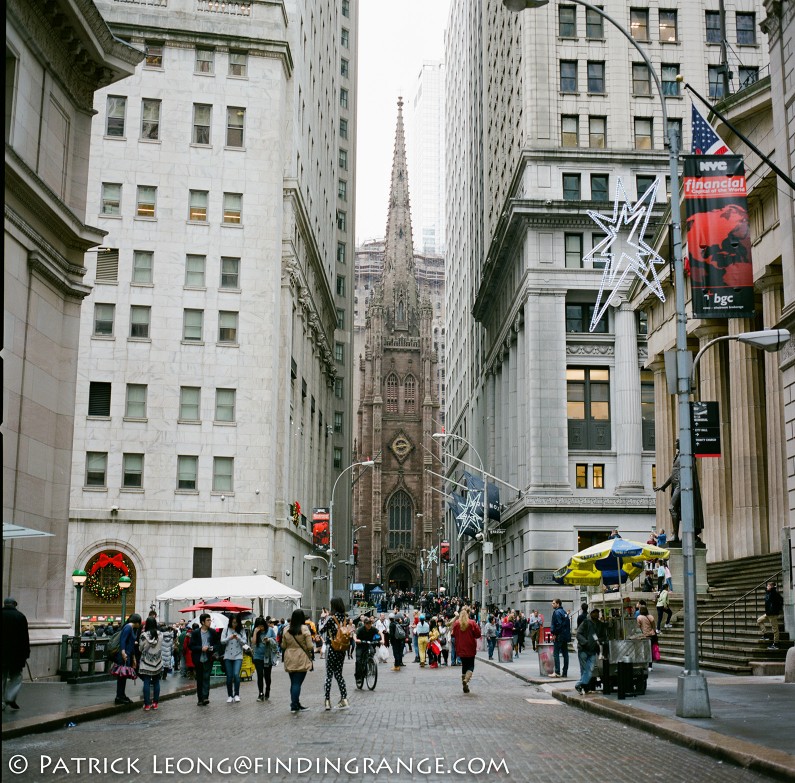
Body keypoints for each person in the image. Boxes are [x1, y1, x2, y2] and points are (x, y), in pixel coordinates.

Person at [281, 609, 314, 714]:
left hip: (289, 657)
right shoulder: (305, 629)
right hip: (301, 657)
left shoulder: (286, 629)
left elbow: (283, 645)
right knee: (297, 683)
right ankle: (294, 705)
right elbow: (310, 646)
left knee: (293, 682)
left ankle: (295, 703)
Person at [2, 598, 30, 711]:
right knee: (16, 676)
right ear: (15, 605)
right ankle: (9, 697)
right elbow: (24, 638)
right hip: (16, 654)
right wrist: (26, 653)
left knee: (2, 676)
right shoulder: (20, 617)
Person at [322, 596, 350, 711]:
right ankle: (344, 699)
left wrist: (324, 618)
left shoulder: (331, 618)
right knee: (339, 674)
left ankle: (327, 700)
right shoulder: (344, 618)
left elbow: (321, 630)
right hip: (342, 649)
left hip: (332, 647)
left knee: (329, 674)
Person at [189, 613, 219, 706]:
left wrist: (212, 648)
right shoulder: (195, 633)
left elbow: (218, 644)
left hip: (208, 658)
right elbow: (191, 646)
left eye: (210, 620)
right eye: (208, 620)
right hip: (198, 658)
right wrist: (201, 648)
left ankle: (205, 697)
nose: (210, 622)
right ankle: (200, 698)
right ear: (202, 622)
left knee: (206, 677)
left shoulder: (213, 632)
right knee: (200, 679)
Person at [112, 613, 142, 705]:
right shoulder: (128, 628)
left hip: (127, 655)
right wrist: (123, 652)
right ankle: (119, 696)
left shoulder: (130, 628)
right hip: (124, 655)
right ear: (137, 622)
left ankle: (121, 695)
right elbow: (123, 640)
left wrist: (132, 657)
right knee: (122, 676)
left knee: (123, 676)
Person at [450, 608, 481, 693]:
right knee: (471, 665)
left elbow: (453, 634)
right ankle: (466, 679)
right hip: (470, 647)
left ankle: (465, 683)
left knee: (464, 665)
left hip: (461, 648)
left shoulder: (457, 624)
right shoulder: (472, 623)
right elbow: (478, 634)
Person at [574, 608, 602, 694]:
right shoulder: (586, 623)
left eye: (597, 613)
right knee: (585, 670)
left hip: (592, 651)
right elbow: (578, 634)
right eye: (594, 612)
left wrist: (598, 642)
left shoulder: (599, 624)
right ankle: (584, 687)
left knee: (589, 671)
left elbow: (599, 636)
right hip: (583, 650)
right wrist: (586, 643)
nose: (596, 614)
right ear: (591, 614)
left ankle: (579, 685)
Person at [138, 617, 163, 710]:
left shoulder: (143, 635)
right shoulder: (161, 634)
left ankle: (147, 704)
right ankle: (155, 703)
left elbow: (140, 648)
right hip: (158, 660)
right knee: (156, 682)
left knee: (146, 682)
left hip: (146, 661)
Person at [222, 614, 247, 703]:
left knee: (236, 674)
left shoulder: (242, 630)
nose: (234, 624)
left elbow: (244, 642)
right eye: (233, 622)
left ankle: (236, 694)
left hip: (238, 655)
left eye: (236, 623)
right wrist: (229, 637)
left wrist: (238, 638)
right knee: (229, 676)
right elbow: (222, 641)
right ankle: (230, 695)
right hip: (228, 655)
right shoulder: (226, 629)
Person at [252, 617, 277, 701]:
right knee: (259, 675)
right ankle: (260, 693)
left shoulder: (270, 630)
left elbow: (275, 640)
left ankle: (267, 690)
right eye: (259, 626)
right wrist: (255, 632)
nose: (261, 628)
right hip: (257, 656)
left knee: (267, 676)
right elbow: (254, 643)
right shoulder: (256, 631)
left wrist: (269, 640)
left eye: (262, 626)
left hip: (267, 656)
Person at [757, 581, 785, 650]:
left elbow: (781, 600)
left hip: (772, 614)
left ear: (772, 587)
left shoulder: (774, 593)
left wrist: (776, 609)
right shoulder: (768, 593)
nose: (767, 587)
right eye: (767, 586)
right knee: (759, 620)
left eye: (768, 586)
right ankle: (765, 635)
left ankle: (776, 644)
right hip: (768, 613)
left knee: (775, 629)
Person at [549, 599, 570, 678]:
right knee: (565, 654)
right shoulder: (564, 612)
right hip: (565, 635)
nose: (552, 604)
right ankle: (565, 672)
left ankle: (557, 672)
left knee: (556, 653)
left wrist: (554, 634)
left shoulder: (557, 612)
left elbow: (558, 624)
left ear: (558, 604)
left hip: (559, 635)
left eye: (553, 603)